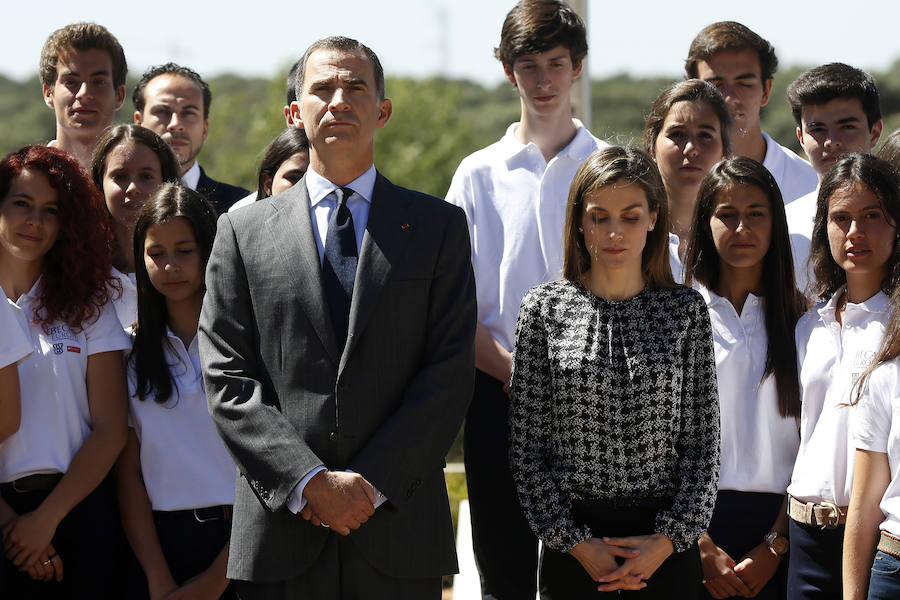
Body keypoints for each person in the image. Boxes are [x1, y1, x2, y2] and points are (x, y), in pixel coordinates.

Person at [199, 36, 476, 598]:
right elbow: (226, 376)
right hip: (282, 532)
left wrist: (371, 484)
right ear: (295, 112)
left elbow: (448, 373)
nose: (339, 100)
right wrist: (307, 482)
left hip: (397, 529)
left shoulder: (438, 227)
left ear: (383, 109)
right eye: (322, 88)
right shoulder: (242, 231)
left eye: (356, 87)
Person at [445, 2, 607, 596]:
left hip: (597, 397)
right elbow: (454, 303)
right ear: (508, 71)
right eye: (528, 65)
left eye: (556, 64)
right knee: (504, 568)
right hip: (495, 391)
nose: (543, 81)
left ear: (578, 68)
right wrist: (512, 370)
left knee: (586, 567)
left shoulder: (609, 168)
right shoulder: (476, 175)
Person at [509, 145, 719, 599]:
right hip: (575, 545)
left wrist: (665, 542)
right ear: (580, 223)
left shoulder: (685, 311)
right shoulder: (544, 310)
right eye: (599, 216)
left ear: (653, 218)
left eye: (629, 216)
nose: (614, 232)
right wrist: (577, 544)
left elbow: (703, 446)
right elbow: (528, 451)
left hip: (665, 546)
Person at [0, 145, 130, 597]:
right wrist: (18, 528)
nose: (35, 219)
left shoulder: (88, 304)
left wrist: (46, 519)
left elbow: (112, 430)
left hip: (80, 509)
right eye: (22, 203)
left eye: (51, 210)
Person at [683, 157, 806, 599]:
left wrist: (775, 545)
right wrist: (699, 543)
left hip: (782, 528)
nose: (741, 228)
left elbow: (814, 447)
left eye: (756, 213)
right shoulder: (677, 316)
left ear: (775, 222)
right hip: (691, 530)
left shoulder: (806, 322)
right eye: (726, 215)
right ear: (704, 222)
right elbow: (659, 443)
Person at [785, 153, 900, 599]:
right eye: (841, 218)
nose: (855, 232)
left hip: (878, 539)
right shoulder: (807, 325)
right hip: (806, 534)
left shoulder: (895, 326)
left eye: (872, 216)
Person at [115, 183, 236, 600]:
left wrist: (215, 581)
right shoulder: (128, 354)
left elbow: (269, 467)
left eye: (184, 251)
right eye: (155, 253)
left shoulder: (249, 343)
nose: (169, 266)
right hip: (163, 547)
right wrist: (158, 578)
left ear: (209, 249)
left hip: (247, 544)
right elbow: (129, 474)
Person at [685, 21, 817, 204]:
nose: (729, 98)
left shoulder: (810, 186)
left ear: (766, 90)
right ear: (691, 90)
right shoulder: (663, 187)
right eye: (715, 85)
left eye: (744, 84)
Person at [784, 64, 883, 295]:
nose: (831, 141)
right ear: (800, 137)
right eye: (817, 129)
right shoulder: (783, 223)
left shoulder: (895, 214)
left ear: (875, 132)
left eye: (847, 126)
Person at [89, 124, 180, 329]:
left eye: (146, 176)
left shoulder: (189, 266)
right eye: (119, 176)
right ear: (99, 183)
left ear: (166, 182)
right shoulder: (79, 270)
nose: (133, 189)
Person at [644, 79, 731, 281]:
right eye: (677, 134)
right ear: (652, 145)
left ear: (724, 151)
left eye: (705, 135)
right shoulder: (628, 232)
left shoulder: (740, 235)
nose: (691, 148)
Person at [133, 63, 249, 214]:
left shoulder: (241, 207)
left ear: (205, 128)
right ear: (139, 123)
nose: (175, 124)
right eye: (162, 111)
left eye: (188, 113)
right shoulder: (114, 202)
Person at [39, 22, 127, 169]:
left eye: (98, 82)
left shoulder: (146, 186)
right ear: (48, 93)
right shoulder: (20, 183)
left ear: (119, 95)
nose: (84, 93)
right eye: (71, 82)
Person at [229, 127, 310, 212]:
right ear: (267, 183)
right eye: (294, 178)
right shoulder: (240, 221)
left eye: (319, 180)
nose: (306, 188)